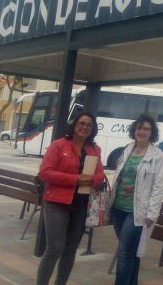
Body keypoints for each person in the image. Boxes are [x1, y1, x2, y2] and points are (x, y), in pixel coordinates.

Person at [37, 112, 106, 285]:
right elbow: (45, 172)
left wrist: (92, 180)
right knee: (54, 249)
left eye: (89, 125)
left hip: (81, 205)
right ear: (75, 125)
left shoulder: (94, 149)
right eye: (81, 123)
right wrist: (75, 179)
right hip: (57, 203)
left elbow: (100, 174)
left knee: (70, 250)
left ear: (93, 129)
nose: (85, 127)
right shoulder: (59, 145)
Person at [107, 114, 163, 285]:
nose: (142, 131)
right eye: (139, 128)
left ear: (152, 133)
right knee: (132, 252)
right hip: (118, 208)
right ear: (134, 130)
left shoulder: (157, 155)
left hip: (137, 212)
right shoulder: (128, 148)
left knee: (124, 253)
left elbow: (158, 187)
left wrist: (152, 213)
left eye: (146, 129)